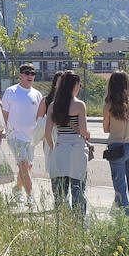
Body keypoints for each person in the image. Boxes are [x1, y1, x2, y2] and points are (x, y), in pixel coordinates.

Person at [43, 71, 89, 217]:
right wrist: (87, 134)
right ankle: (79, 223)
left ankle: (62, 223)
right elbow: (82, 131)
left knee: (60, 194)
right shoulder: (79, 105)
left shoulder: (52, 106)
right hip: (76, 150)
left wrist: (54, 147)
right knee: (78, 191)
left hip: (60, 148)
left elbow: (47, 134)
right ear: (75, 86)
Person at [0, 63, 45, 202]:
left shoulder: (37, 94)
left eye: (33, 73)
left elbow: (40, 116)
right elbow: (4, 113)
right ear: (20, 75)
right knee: (23, 165)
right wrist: (0, 130)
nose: (30, 76)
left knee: (27, 166)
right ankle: (30, 196)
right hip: (15, 135)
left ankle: (17, 189)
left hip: (31, 138)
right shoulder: (11, 91)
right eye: (27, 73)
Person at [102, 72, 129, 211]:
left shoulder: (109, 106)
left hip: (116, 146)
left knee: (120, 186)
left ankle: (125, 216)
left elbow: (106, 129)